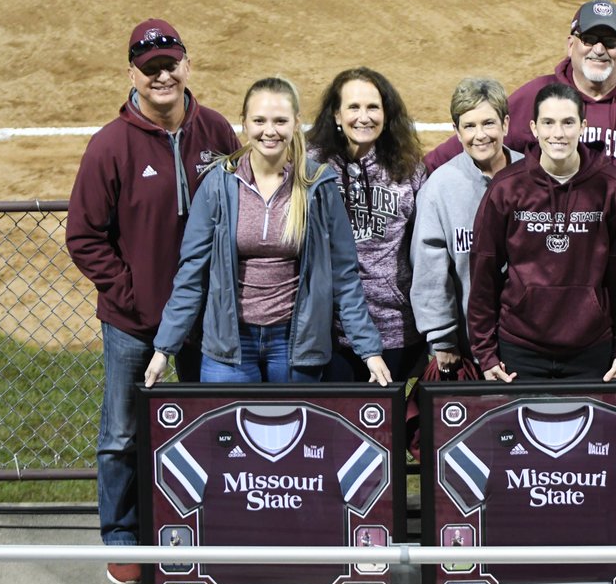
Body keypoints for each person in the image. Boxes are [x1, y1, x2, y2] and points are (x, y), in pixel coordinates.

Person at [66, 19, 239, 584]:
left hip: (209, 321)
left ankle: (204, 528)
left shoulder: (215, 132)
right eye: (151, 67)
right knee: (121, 432)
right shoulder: (109, 147)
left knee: (210, 426)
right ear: (133, 74)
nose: (163, 75)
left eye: (171, 63)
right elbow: (85, 236)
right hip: (134, 325)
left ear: (187, 65)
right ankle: (122, 537)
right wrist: (135, 299)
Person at [425, 0, 616, 377]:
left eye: (610, 41)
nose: (599, 49)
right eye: (589, 37)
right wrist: (420, 174)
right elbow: (475, 138)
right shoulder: (536, 97)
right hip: (548, 263)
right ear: (570, 43)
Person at [142, 77, 391, 387]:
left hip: (295, 346)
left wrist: (369, 350)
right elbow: (192, 273)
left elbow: (344, 275)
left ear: (296, 123)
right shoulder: (219, 184)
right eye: (259, 120)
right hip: (229, 346)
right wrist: (164, 347)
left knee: (294, 434)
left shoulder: (318, 185)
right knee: (226, 434)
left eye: (280, 121)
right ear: (244, 123)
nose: (269, 131)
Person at [467, 83, 616, 382]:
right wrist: (485, 351)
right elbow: (484, 269)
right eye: (548, 122)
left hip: (590, 348)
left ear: (583, 126)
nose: (558, 133)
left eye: (568, 122)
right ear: (534, 128)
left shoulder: (613, 187)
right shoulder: (507, 188)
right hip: (520, 348)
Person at [306, 67, 427, 382]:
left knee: (390, 426)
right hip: (330, 329)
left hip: (396, 327)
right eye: (353, 107)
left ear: (387, 114)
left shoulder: (408, 166)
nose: (364, 117)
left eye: (373, 107)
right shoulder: (312, 166)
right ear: (336, 114)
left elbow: (424, 244)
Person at [410, 77, 523, 372]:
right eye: (469, 126)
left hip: (528, 346)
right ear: (456, 132)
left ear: (506, 124)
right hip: (467, 350)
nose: (480, 135)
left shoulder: (533, 177)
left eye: (488, 123)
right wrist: (442, 339)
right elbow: (429, 268)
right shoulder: (440, 188)